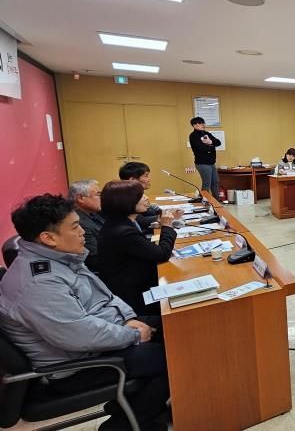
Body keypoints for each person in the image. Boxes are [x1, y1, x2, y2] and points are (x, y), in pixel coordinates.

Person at [0, 194, 169, 430]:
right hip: (77, 366)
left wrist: (128, 319)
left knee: (175, 328)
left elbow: (104, 297)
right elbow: (77, 335)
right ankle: (123, 425)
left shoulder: (60, 259)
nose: (83, 232)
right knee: (174, 358)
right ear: (48, 238)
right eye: (75, 227)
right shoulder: (39, 282)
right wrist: (132, 335)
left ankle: (144, 408)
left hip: (99, 337)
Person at [98, 180, 177, 316]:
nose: (146, 198)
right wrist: (167, 226)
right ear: (125, 202)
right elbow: (162, 254)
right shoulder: (123, 232)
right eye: (140, 196)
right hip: (135, 297)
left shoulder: (119, 222)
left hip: (135, 283)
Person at [68, 179, 105, 272]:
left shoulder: (93, 213)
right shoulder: (77, 222)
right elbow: (95, 258)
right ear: (80, 198)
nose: (101, 198)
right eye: (98, 194)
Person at [118, 162, 164, 231]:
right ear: (133, 180)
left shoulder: (133, 192)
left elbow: (147, 212)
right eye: (146, 176)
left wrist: (162, 214)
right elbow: (141, 221)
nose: (149, 179)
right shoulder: (124, 196)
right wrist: (164, 218)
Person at [188, 116, 222, 194]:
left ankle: (216, 200)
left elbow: (218, 142)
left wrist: (210, 142)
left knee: (215, 182)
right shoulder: (193, 135)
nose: (203, 125)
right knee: (207, 184)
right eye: (200, 123)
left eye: (203, 123)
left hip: (212, 163)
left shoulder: (207, 133)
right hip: (202, 163)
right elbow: (201, 148)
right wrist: (212, 146)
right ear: (194, 125)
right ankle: (204, 200)